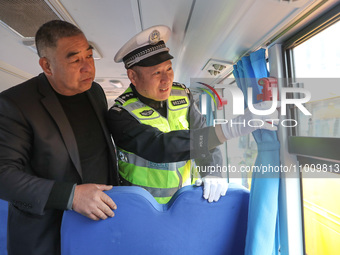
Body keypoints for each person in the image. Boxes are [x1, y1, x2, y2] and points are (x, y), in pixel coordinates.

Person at [107, 25, 277, 204]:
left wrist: (212, 172)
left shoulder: (182, 95)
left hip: (181, 203)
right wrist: (230, 129)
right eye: (157, 73)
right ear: (133, 77)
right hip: (139, 208)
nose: (167, 80)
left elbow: (203, 136)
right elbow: (160, 146)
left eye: (169, 69)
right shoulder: (120, 114)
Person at [0, 20, 119, 255]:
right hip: (46, 233)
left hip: (97, 225)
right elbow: (3, 174)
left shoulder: (94, 92)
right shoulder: (15, 104)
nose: (88, 68)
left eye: (89, 56)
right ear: (47, 65)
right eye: (75, 60)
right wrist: (70, 196)